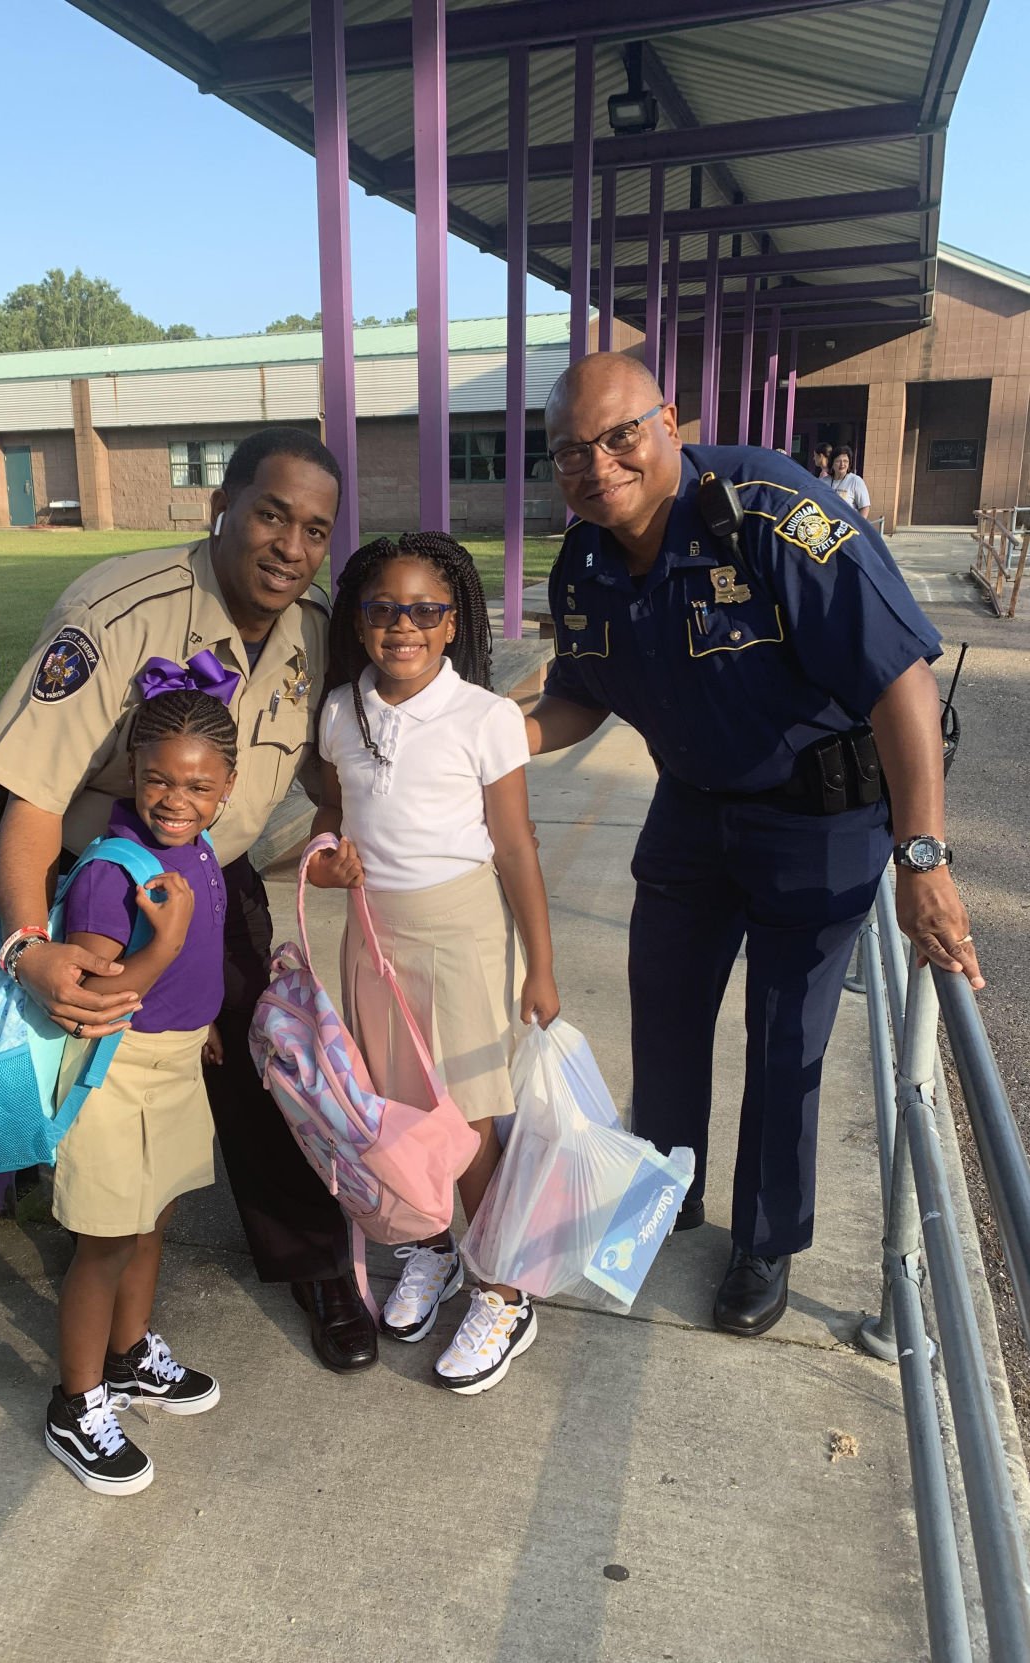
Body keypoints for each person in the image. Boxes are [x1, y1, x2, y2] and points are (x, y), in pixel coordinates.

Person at [526, 351, 982, 1339]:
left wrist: (922, 856)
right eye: (569, 451)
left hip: (818, 818)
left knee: (784, 1040)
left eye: (619, 436)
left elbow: (897, 678)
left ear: (669, 424)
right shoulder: (587, 562)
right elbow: (577, 694)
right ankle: (666, 1187)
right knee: (664, 1007)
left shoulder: (773, 512)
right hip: (694, 809)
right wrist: (486, 735)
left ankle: (764, 1241)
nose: (597, 464)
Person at [0, 427, 379, 1374]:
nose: (290, 545)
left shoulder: (311, 632)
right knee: (79, 1044)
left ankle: (313, 1263)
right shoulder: (115, 612)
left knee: (253, 1046)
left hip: (198, 862)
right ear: (219, 507)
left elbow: (321, 764)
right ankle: (90, 1265)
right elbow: (30, 799)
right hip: (78, 863)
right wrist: (29, 941)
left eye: (315, 529)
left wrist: (338, 837)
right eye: (272, 514)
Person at [309, 532, 560, 1394]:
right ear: (360, 620)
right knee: (394, 1110)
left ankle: (503, 1288)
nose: (402, 626)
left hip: (460, 930)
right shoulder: (340, 710)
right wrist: (330, 853)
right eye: (383, 609)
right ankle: (430, 1247)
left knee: (469, 1117)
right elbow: (335, 815)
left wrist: (541, 964)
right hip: (372, 930)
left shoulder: (485, 717)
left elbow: (517, 846)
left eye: (424, 610)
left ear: (453, 623)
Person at [41, 665, 238, 1494]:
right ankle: (75, 1400)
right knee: (104, 1238)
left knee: (153, 1214)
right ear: (129, 769)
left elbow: (196, 957)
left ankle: (129, 1357)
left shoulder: (196, 849)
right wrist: (162, 945)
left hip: (173, 1057)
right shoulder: (109, 869)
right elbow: (93, 995)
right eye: (157, 776)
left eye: (198, 783)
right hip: (113, 1075)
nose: (175, 796)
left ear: (226, 789)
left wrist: (207, 1018)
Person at [830, 446, 871, 517]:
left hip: (847, 525)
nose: (842, 464)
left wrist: (859, 526)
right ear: (832, 463)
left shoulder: (855, 481)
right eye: (838, 461)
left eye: (845, 461)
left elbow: (865, 507)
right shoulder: (823, 481)